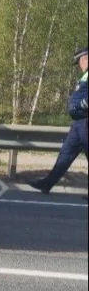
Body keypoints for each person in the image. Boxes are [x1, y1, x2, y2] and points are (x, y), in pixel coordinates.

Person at [29, 46, 88, 195]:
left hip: (86, 121)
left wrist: (81, 105)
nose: (79, 66)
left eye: (79, 62)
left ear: (85, 58)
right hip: (78, 123)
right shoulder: (85, 75)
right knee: (65, 155)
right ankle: (47, 184)